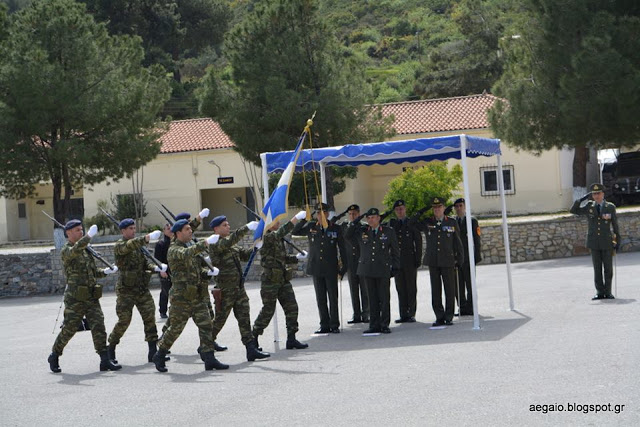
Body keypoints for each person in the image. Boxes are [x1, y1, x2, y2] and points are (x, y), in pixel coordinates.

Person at [152, 219, 228, 372]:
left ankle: (209, 358)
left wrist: (208, 273)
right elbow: (186, 254)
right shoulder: (174, 249)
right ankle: (159, 354)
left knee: (206, 325)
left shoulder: (191, 247)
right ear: (178, 233)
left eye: (190, 229)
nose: (190, 231)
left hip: (197, 295)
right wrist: (205, 243)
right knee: (175, 329)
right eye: (187, 229)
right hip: (182, 298)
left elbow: (197, 271)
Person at [47, 221, 121, 373]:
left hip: (91, 296)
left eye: (82, 230)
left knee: (98, 326)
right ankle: (54, 354)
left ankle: (104, 360)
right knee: (70, 328)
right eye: (77, 230)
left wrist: (105, 271)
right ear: (68, 233)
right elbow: (75, 250)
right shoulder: (66, 250)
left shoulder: (86, 250)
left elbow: (92, 272)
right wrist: (88, 237)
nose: (80, 232)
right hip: (75, 298)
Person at [208, 215, 270, 361]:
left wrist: (255, 247)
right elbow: (232, 240)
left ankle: (250, 349)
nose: (228, 227)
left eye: (228, 224)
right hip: (226, 289)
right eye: (224, 225)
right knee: (219, 320)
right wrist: (246, 228)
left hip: (238, 288)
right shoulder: (215, 243)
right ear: (216, 229)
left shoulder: (231, 244)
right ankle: (205, 344)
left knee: (244, 318)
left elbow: (244, 256)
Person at [107, 219, 166, 365]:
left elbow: (145, 263)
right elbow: (128, 246)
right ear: (123, 231)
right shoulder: (120, 245)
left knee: (149, 318)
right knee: (124, 321)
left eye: (134, 228)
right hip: (126, 290)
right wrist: (146, 238)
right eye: (130, 228)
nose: (133, 230)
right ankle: (110, 349)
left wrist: (156, 268)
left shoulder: (138, 247)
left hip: (141, 289)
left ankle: (152, 351)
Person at [252, 211, 309, 350]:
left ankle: (291, 338)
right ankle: (253, 338)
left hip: (282, 279)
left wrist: (296, 258)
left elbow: (282, 258)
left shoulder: (277, 238)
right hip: (270, 280)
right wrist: (295, 219)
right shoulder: (266, 237)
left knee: (292, 308)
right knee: (268, 311)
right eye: (276, 221)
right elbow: (281, 232)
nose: (278, 223)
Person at [293, 203, 348, 334]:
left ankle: (334, 324)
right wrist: (305, 219)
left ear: (328, 214)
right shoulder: (311, 226)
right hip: (316, 267)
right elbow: (295, 231)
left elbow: (342, 249)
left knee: (333, 298)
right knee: (321, 298)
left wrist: (343, 268)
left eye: (323, 213)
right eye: (318, 213)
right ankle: (324, 324)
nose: (320, 215)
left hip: (331, 268)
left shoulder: (335, 228)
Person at [345, 208, 400, 334]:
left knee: (384, 298)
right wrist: (357, 219)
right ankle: (373, 324)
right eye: (368, 218)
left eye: (373, 217)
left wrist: (395, 266)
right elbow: (347, 235)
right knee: (372, 298)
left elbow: (395, 251)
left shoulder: (388, 231)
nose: (370, 220)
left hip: (382, 268)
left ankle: (384, 324)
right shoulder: (362, 231)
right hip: (367, 269)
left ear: (379, 218)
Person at [415, 197, 464, 326]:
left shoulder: (451, 222)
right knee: (436, 290)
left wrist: (460, 259)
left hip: (447, 260)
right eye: (434, 208)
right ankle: (439, 316)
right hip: (433, 261)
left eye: (439, 207)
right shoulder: (428, 222)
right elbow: (412, 223)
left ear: (443, 208)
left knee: (449, 289)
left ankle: (449, 316)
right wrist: (422, 210)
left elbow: (457, 242)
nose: (437, 210)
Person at [570, 183, 620, 300]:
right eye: (594, 194)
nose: (596, 196)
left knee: (608, 268)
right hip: (594, 242)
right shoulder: (589, 206)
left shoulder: (610, 207)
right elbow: (574, 210)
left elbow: (615, 225)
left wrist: (618, 240)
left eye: (598, 193)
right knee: (597, 269)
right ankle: (599, 292)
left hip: (607, 241)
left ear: (603, 194)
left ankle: (608, 292)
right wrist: (581, 199)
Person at [389, 200, 422, 323]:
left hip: (410, 260)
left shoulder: (411, 223)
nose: (400, 211)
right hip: (397, 261)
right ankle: (403, 313)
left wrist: (418, 259)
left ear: (405, 209)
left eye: (401, 209)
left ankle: (411, 313)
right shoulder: (392, 225)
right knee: (400, 288)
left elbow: (418, 242)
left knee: (411, 287)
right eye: (397, 210)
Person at [452, 198, 482, 316]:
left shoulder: (472, 220)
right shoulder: (452, 221)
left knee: (470, 284)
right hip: (457, 258)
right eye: (456, 206)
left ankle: (471, 307)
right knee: (458, 285)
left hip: (469, 257)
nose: (458, 208)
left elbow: (477, 239)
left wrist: (476, 257)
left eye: (460, 206)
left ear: (464, 206)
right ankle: (462, 307)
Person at [154, 223, 173, 319]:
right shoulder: (160, 244)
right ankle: (163, 311)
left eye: (171, 228)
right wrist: (162, 270)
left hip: (175, 270)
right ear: (164, 231)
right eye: (168, 228)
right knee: (165, 291)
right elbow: (157, 259)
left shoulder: (175, 242)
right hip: (164, 271)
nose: (170, 230)